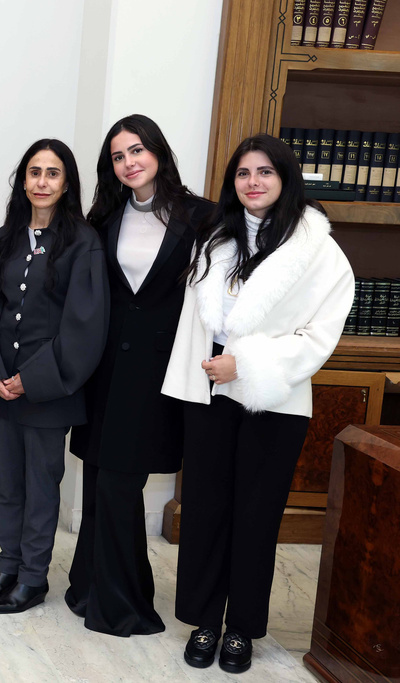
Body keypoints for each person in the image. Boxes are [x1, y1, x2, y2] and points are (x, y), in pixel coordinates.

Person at [162, 133, 354, 674]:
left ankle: (242, 629)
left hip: (275, 401)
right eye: (244, 173)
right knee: (204, 511)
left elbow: (321, 336)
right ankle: (204, 620)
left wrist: (244, 364)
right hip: (210, 394)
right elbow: (194, 324)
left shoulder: (319, 251)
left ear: (285, 178)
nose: (253, 182)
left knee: (255, 517)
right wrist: (201, 377)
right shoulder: (214, 237)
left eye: (265, 172)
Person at [65, 114, 213, 636]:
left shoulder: (204, 218)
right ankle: (88, 586)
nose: (129, 163)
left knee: (119, 485)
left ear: (158, 152)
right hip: (103, 370)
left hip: (160, 372)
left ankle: (121, 604)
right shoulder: (103, 218)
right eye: (118, 156)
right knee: (101, 477)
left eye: (137, 151)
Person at [0, 139, 108, 613]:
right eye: (35, 172)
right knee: (8, 484)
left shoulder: (83, 242)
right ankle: (7, 569)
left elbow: (84, 326)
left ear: (67, 184)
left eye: (53, 173)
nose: (42, 182)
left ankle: (33, 578)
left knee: (42, 486)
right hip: (1, 386)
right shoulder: (4, 239)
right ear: (23, 181)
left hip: (49, 390)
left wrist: (31, 378)